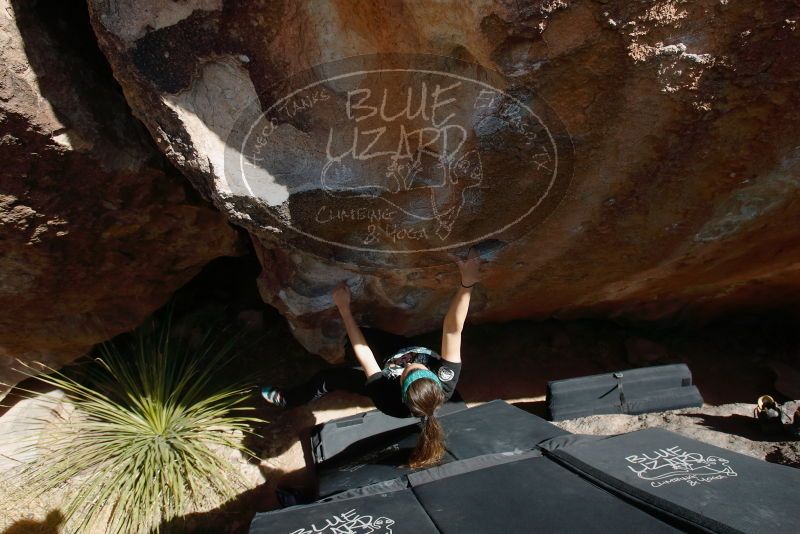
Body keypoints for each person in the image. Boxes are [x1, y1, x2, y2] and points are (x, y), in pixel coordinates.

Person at [260, 250, 480, 468]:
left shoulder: (386, 397)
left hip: (383, 373)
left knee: (327, 378)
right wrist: (467, 284)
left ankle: (289, 398)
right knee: (371, 337)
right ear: (434, 377)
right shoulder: (446, 376)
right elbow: (452, 330)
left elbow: (365, 353)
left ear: (400, 385)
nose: (411, 364)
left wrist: (344, 309)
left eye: (407, 371)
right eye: (419, 367)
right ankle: (353, 351)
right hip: (397, 351)